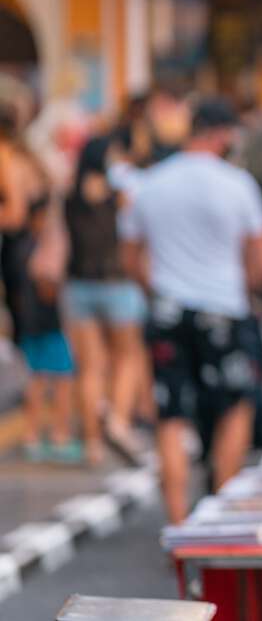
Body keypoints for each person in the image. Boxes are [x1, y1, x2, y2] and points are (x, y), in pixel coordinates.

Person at [120, 98, 262, 522]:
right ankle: (220, 511)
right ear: (221, 133)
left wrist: (159, 288)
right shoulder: (237, 183)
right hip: (224, 309)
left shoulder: (149, 183)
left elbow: (131, 257)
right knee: (235, 405)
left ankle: (176, 521)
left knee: (171, 414)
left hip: (168, 311)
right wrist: (243, 287)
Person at [62, 134, 149, 466]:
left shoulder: (70, 195)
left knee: (89, 367)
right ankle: (119, 420)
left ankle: (92, 444)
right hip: (117, 284)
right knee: (127, 357)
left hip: (78, 284)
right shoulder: (120, 195)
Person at [0, 109, 77, 462]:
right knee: (44, 343)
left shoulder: (8, 159)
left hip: (27, 260)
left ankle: (44, 431)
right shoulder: (31, 159)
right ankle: (51, 431)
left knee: (39, 345)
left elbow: (14, 213)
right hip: (43, 261)